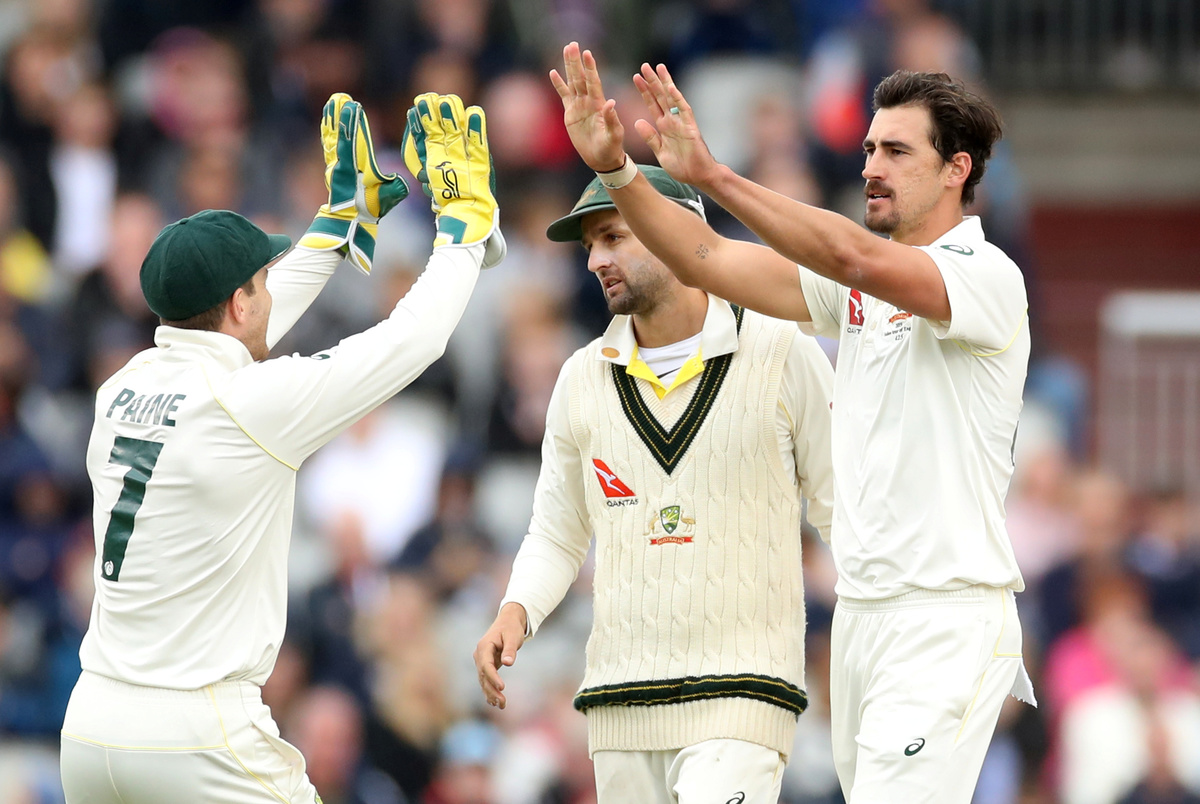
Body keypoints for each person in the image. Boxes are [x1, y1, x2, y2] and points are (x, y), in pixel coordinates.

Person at [548, 42, 1035, 804]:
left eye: (897, 151)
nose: (872, 166)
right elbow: (706, 259)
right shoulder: (858, 293)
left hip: (945, 616)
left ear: (957, 170)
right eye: (868, 149)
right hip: (862, 617)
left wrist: (713, 176)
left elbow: (852, 256)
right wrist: (617, 171)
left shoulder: (986, 277)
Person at [58, 91, 505, 804]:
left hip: (91, 727)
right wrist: (462, 231)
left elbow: (242, 324)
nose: (272, 286)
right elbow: (413, 339)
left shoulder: (123, 387)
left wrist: (341, 219)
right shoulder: (249, 405)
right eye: (262, 279)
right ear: (240, 301)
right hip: (196, 733)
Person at [473, 164, 836, 803]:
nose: (595, 261)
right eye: (591, 246)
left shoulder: (783, 350)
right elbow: (558, 531)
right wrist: (517, 608)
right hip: (618, 705)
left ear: (678, 233)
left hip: (742, 696)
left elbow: (844, 508)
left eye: (613, 237)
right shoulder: (580, 378)